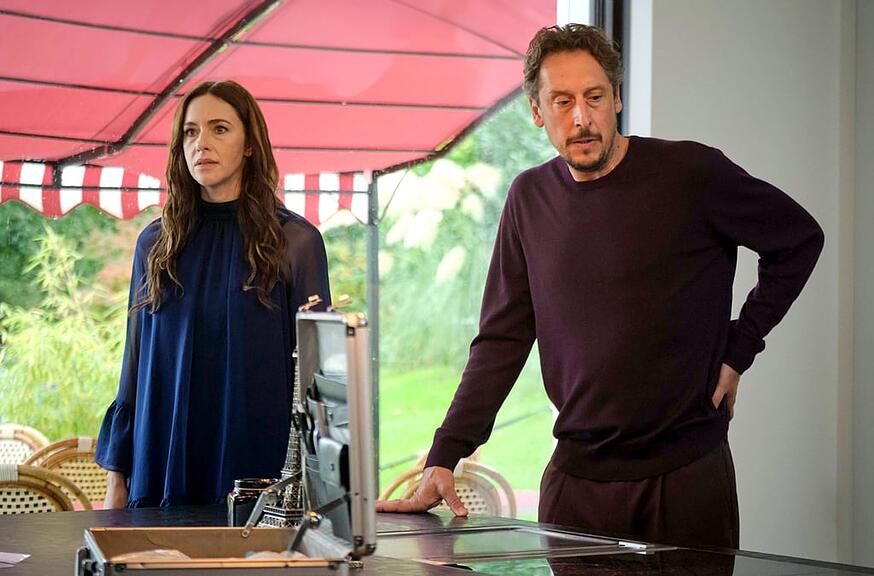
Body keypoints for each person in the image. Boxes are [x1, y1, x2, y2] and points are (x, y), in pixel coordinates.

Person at [376, 24, 824, 548]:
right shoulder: (528, 198)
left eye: (593, 97)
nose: (581, 118)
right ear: (537, 111)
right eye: (562, 101)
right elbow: (502, 340)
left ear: (616, 98)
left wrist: (739, 347)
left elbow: (798, 240)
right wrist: (445, 454)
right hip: (576, 485)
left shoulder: (691, 173)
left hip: (686, 479)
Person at [95, 80, 331, 508]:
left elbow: (315, 382)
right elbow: (134, 364)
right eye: (190, 132)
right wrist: (116, 475)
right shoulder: (155, 244)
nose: (201, 143)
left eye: (219, 128)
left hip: (257, 465)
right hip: (163, 458)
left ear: (249, 145)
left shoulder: (295, 242)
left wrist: (317, 487)